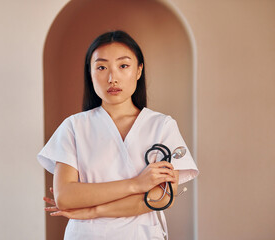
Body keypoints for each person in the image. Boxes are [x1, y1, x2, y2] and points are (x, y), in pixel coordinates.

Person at [37, 30, 199, 240]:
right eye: (102, 67)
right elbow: (65, 197)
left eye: (123, 66)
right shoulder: (74, 126)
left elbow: (161, 197)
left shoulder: (162, 126)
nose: (112, 78)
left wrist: (93, 211)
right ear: (90, 73)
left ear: (139, 70)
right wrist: (136, 185)